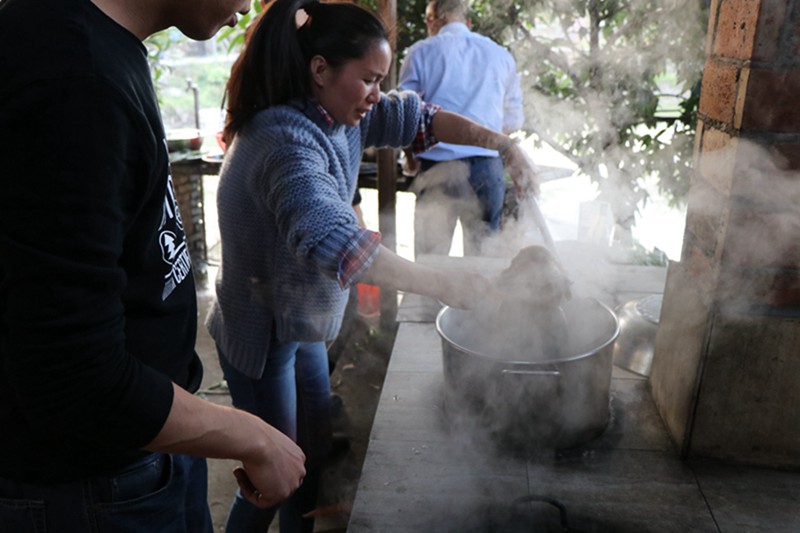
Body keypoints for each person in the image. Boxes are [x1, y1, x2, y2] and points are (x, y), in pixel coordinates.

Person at [205, 0, 537, 531]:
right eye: (369, 79)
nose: (377, 95)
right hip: (262, 332)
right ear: (320, 70)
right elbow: (340, 244)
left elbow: (423, 119)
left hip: (300, 321)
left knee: (309, 451)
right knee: (273, 475)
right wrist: (444, 283)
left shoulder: (342, 111)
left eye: (381, 81)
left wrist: (502, 145)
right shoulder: (284, 142)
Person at [0, 0, 307, 531]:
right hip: (91, 486)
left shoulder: (98, 45)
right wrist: (251, 436)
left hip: (144, 445)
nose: (249, 7)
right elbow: (75, 377)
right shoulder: (73, 78)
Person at [398, 0, 526, 256]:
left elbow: (406, 114)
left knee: (430, 262)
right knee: (482, 260)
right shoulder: (499, 54)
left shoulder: (420, 51)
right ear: (467, 22)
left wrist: (410, 160)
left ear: (433, 20)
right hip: (487, 169)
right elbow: (512, 121)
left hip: (438, 169)